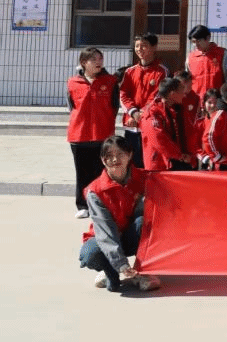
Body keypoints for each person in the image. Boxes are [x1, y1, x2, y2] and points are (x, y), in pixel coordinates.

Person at [78, 136, 159, 293]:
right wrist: (121, 264)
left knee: (144, 222)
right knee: (89, 254)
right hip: (106, 238)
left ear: (129, 155)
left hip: (131, 235)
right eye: (109, 156)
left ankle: (143, 270)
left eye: (120, 154)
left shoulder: (145, 179)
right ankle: (110, 271)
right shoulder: (95, 191)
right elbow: (105, 232)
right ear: (103, 160)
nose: (115, 160)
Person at [67, 47, 118, 218]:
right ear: (83, 62)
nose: (99, 62)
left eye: (100, 59)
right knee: (82, 173)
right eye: (94, 59)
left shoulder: (110, 81)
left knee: (102, 172)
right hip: (79, 135)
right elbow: (72, 107)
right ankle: (82, 205)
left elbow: (114, 106)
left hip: (103, 134)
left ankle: (102, 204)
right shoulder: (73, 82)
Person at [119, 33, 168, 169]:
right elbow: (123, 94)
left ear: (154, 47)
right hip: (131, 124)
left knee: (150, 163)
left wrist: (141, 115)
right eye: (137, 46)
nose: (139, 49)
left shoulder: (162, 72)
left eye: (144, 46)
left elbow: (157, 97)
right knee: (132, 164)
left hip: (150, 124)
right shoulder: (130, 72)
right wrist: (133, 113)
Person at [139, 77, 190, 172]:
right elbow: (159, 139)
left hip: (175, 161)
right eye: (181, 91)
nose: (184, 95)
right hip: (159, 164)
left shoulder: (176, 109)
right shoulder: (152, 113)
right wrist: (180, 156)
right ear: (172, 94)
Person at [185, 25, 225, 98]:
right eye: (193, 42)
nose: (196, 45)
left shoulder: (222, 54)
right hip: (197, 100)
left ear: (207, 38)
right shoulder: (191, 57)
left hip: (216, 100)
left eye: (198, 41)